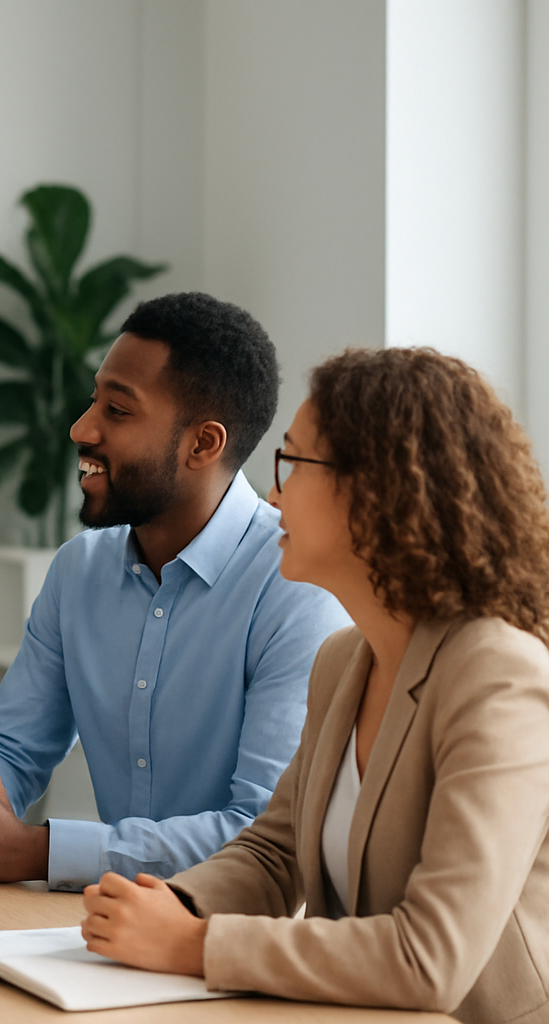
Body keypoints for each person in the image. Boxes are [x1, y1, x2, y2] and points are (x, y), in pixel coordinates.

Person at [80, 347, 549, 1023]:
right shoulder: (343, 660)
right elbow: (275, 853)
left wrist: (196, 943)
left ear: (379, 491)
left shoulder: (500, 677)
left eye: (291, 463)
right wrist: (169, 906)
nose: (273, 495)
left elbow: (430, 958)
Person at [0, 292, 350, 891]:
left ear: (202, 444)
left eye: (117, 410)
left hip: (229, 945)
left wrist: (38, 852)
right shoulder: (78, 570)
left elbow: (262, 834)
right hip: (102, 930)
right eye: (95, 399)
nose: (80, 428)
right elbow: (11, 743)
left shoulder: (297, 589)